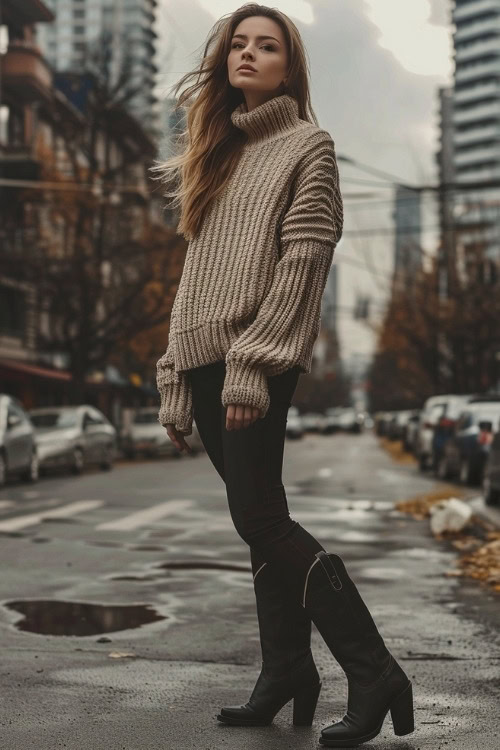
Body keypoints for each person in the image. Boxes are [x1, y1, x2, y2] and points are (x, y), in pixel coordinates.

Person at [153, 3, 415, 746]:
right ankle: (287, 671)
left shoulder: (310, 146)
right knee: (258, 520)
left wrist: (255, 364)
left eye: (266, 45)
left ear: (288, 67)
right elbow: (194, 273)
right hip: (204, 359)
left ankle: (374, 670)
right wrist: (174, 370)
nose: (248, 54)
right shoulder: (217, 152)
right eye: (238, 43)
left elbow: (304, 262)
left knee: (261, 518)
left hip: (250, 361)